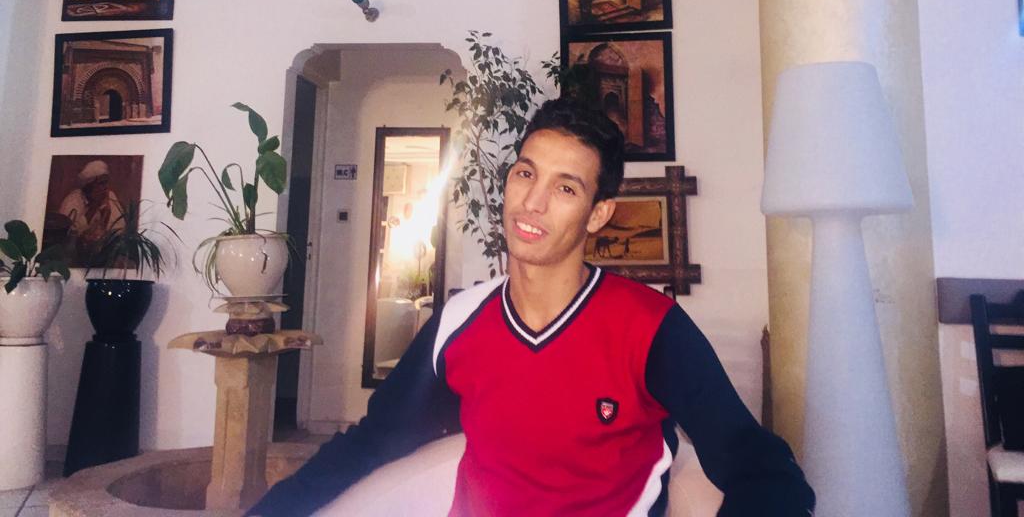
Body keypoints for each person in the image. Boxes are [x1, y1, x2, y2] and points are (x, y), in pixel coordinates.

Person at [249, 99, 814, 516]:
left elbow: (761, 468)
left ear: (598, 214)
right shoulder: (458, 321)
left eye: (566, 188)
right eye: (526, 173)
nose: (533, 202)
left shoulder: (650, 329)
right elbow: (374, 441)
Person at [57, 159, 124, 265]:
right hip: (76, 258)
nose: (105, 187)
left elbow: (120, 229)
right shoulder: (73, 200)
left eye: (106, 182)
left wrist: (106, 214)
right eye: (101, 183)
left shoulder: (110, 196)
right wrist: (94, 206)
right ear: (89, 186)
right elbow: (68, 236)